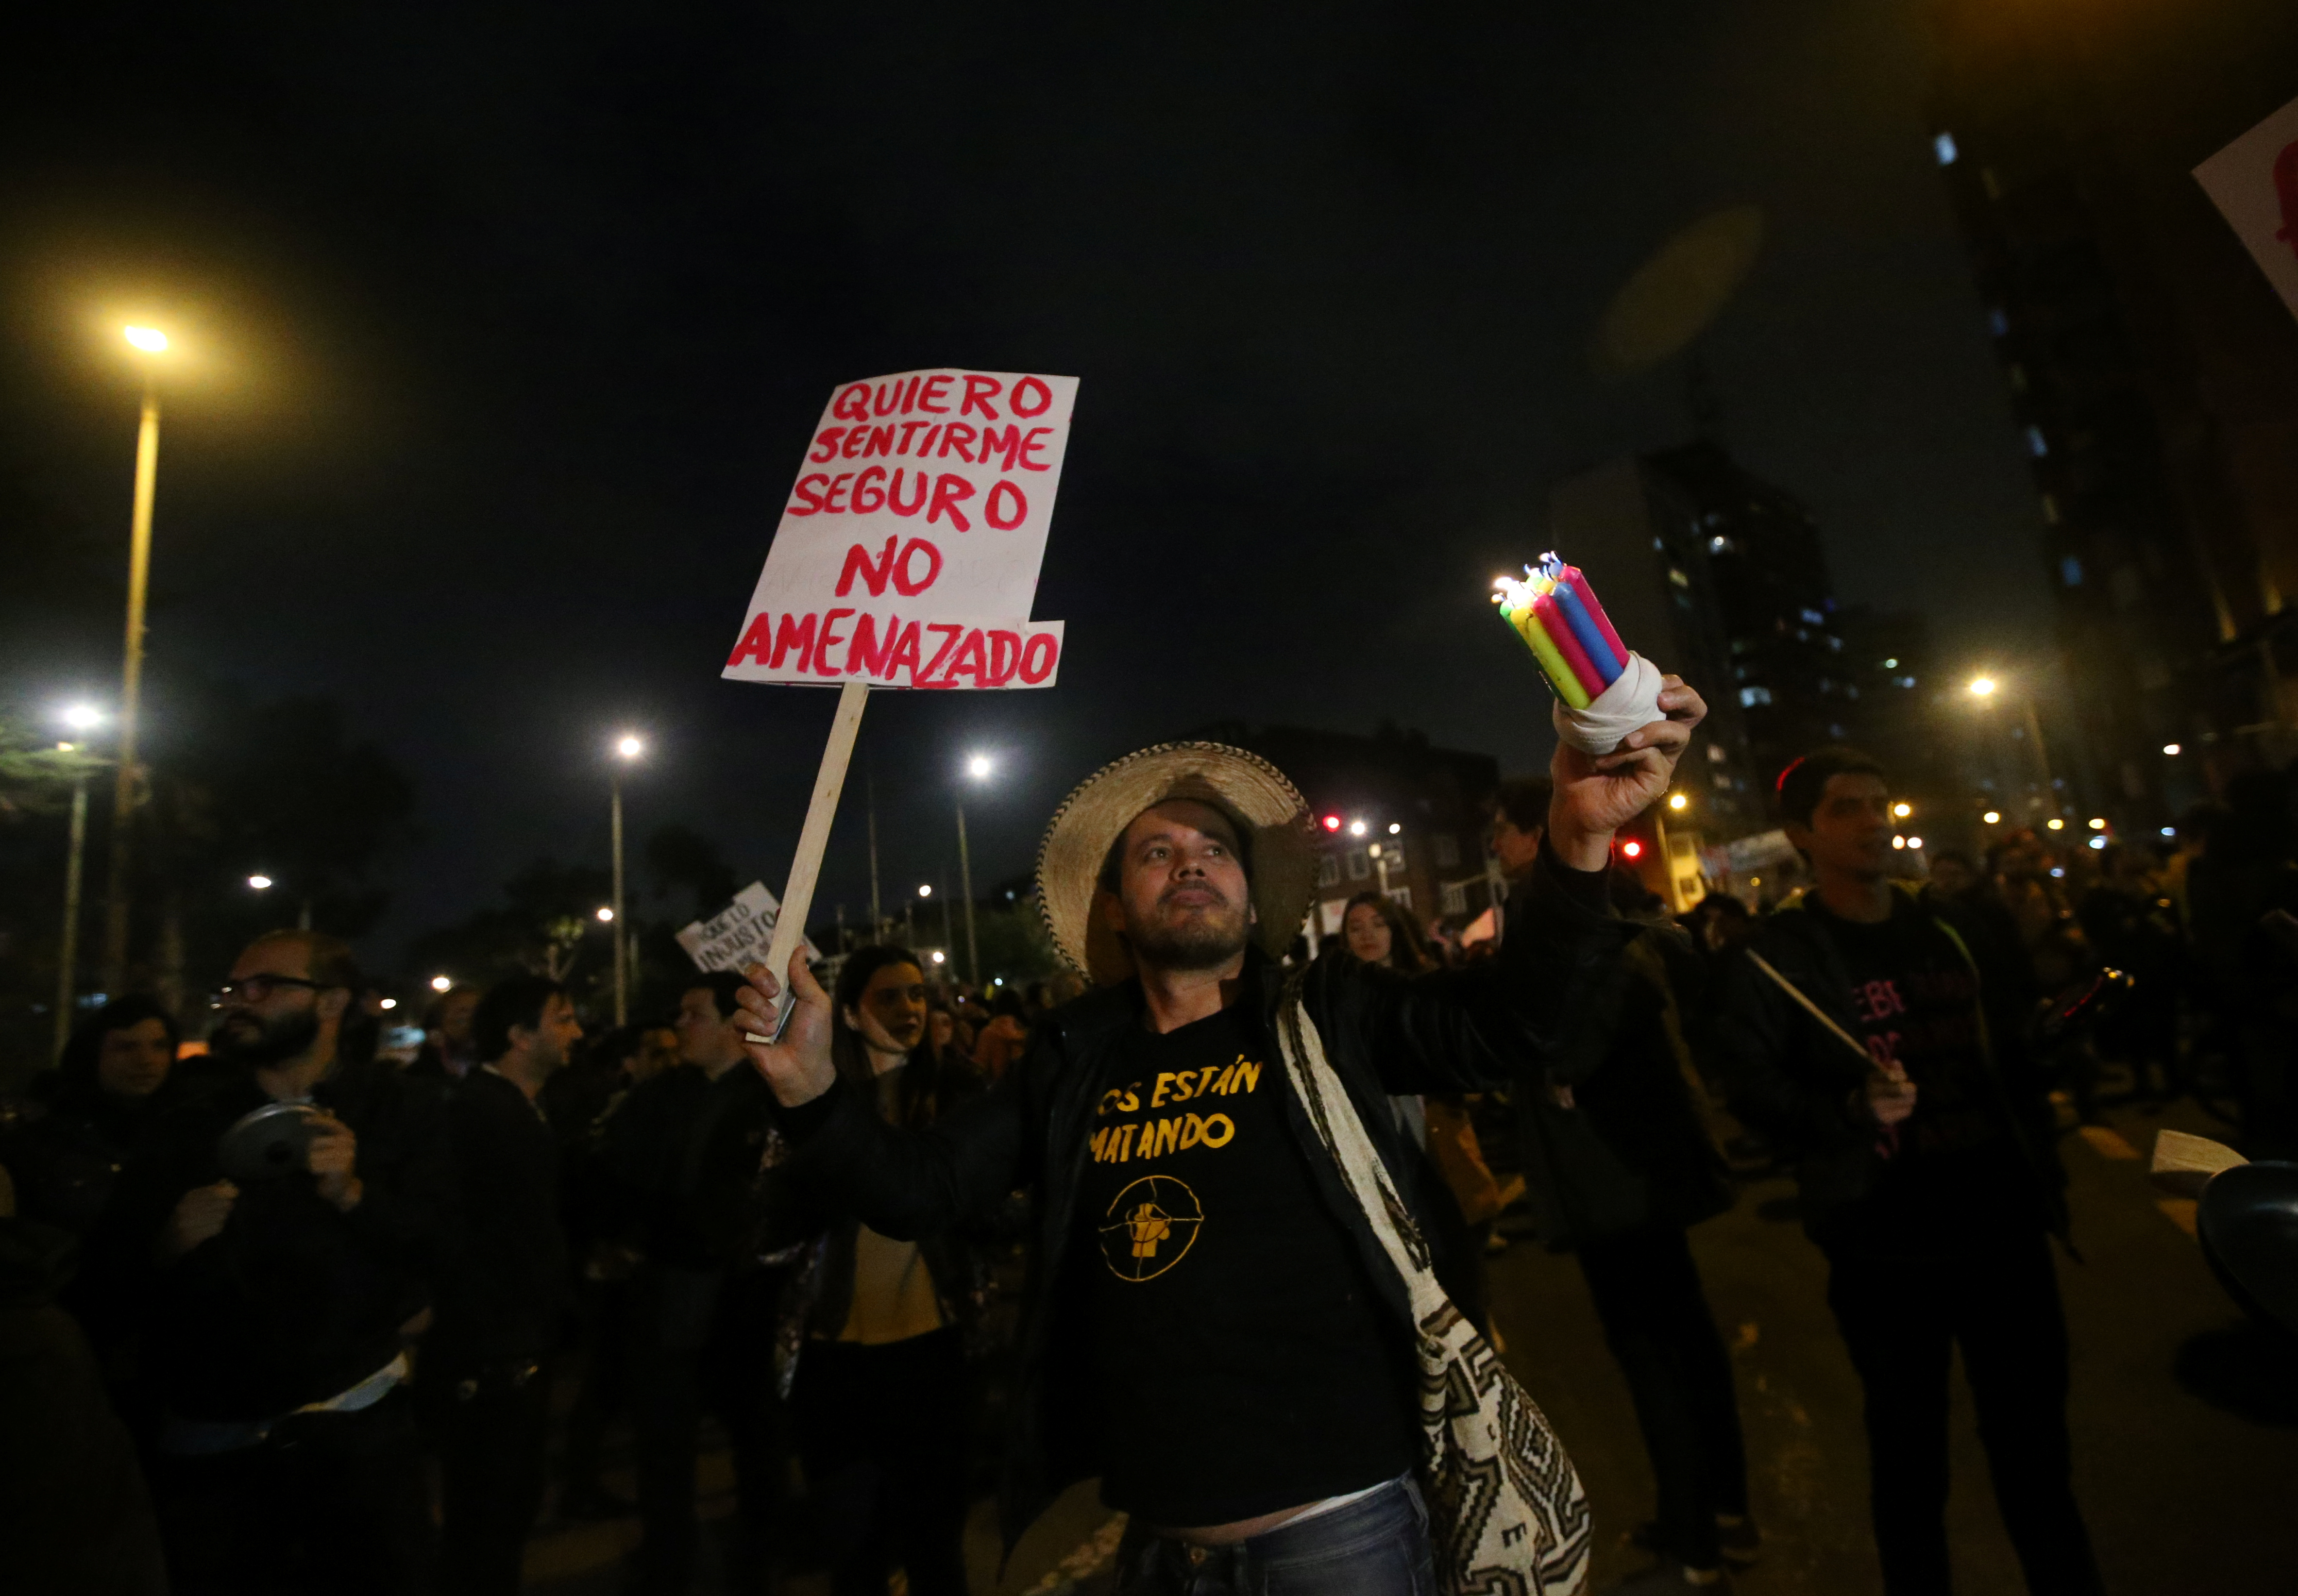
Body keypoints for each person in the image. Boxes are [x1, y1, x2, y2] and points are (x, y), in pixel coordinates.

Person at [736, 683, 1702, 1596]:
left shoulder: (1327, 1013)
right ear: (1114, 902)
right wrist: (814, 1091)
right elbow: (919, 1188)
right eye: (1155, 852)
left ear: (1249, 895)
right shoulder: (1071, 1060)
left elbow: (1513, 1025)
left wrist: (1577, 837)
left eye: (1212, 847)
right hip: (1158, 1544)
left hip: (1343, 1535)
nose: (1188, 860)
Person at [1713, 748, 2102, 1596]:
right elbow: (1749, 1084)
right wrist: (1847, 1112)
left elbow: (2004, 1044)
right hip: (1885, 1243)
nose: (1871, 820)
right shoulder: (1782, 953)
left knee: (2036, 1454)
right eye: (1846, 807)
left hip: (2001, 1226)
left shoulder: (1951, 924)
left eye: (1879, 802)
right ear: (1799, 835)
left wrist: (2052, 1041)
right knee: (1908, 1457)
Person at [1491, 776, 1752, 1594]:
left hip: (1609, 1170)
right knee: (1687, 1338)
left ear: (1536, 834)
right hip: (1649, 1158)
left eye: (1501, 832)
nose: (1495, 848)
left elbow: (1564, 1021)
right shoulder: (1621, 901)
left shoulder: (1560, 914)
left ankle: (1694, 1536)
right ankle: (1725, 1510)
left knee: (1649, 1351)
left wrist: (1556, 1066)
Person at [126, 929, 446, 1596]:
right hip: (219, 1452)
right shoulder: (184, 1118)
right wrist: (168, 1243)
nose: (240, 1002)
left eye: (264, 986)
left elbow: (441, 1240)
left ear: (331, 1002)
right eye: (234, 989)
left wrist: (355, 1195)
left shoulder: (397, 1106)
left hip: (359, 1440)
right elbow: (112, 1273)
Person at [781, 947, 984, 1596]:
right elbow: (772, 1217)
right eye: (890, 996)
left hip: (932, 1343)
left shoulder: (959, 1090)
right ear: (847, 1010)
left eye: (919, 994)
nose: (910, 1009)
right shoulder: (816, 1100)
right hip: (836, 1354)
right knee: (854, 1544)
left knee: (935, 1540)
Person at [606, 970, 794, 1595]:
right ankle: (669, 1556)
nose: (678, 1026)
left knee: (755, 1435)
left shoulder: (774, 1095)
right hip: (668, 1296)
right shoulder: (658, 1098)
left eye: (694, 1013)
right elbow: (619, 1176)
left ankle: (758, 1555)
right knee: (664, 1441)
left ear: (732, 1023)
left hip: (744, 1301)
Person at [427, 975, 582, 1594]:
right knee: (488, 1511)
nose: (575, 1031)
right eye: (563, 1018)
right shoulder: (483, 1114)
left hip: (512, 1341)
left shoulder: (519, 1107)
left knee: (507, 1506)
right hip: (490, 1351)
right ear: (520, 1035)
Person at [1339, 890, 1437, 973]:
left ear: (1394, 930)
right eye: (1356, 928)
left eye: (1378, 924)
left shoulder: (1424, 982)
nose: (1367, 935)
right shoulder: (1336, 988)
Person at [408, 983, 482, 1081]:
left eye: (475, 1011)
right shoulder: (421, 1072)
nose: (467, 1017)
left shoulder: (492, 1062)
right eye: (461, 1010)